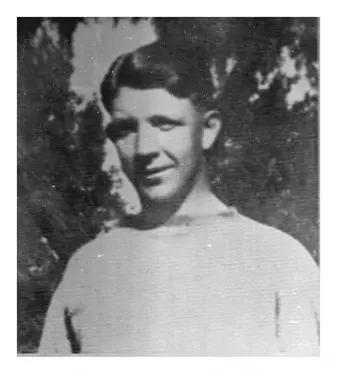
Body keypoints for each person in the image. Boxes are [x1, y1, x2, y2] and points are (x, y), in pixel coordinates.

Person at [38, 41, 319, 356]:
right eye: (126, 130)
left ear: (209, 129)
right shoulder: (88, 268)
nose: (145, 148)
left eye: (164, 124)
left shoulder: (278, 260)